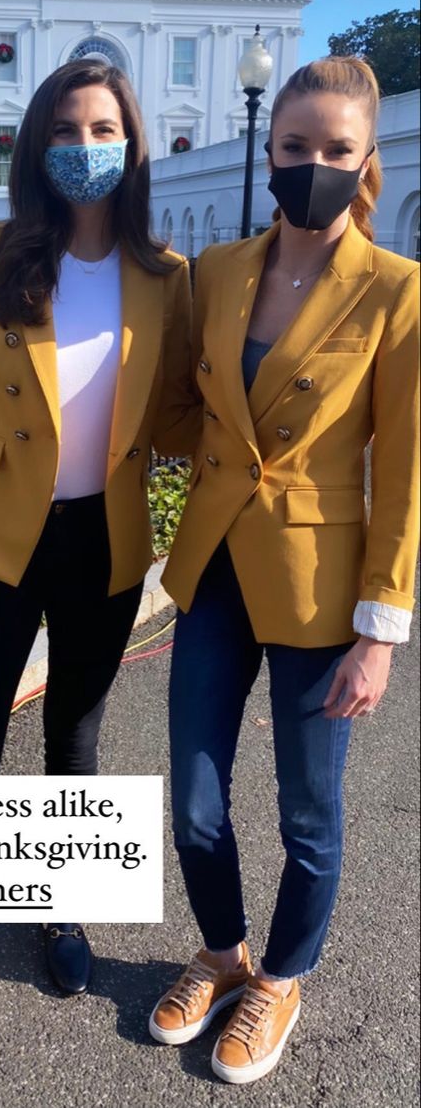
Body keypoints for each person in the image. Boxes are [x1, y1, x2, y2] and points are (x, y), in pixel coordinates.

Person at [0, 59, 197, 1080]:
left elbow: (185, 410)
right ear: (36, 142)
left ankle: (54, 903)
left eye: (103, 127)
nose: (85, 146)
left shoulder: (167, 274)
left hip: (104, 540)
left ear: (131, 143)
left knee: (76, 739)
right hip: (0, 542)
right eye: (65, 126)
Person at [148, 56, 419, 1085]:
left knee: (308, 811)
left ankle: (284, 974)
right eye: (295, 147)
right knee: (196, 799)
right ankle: (223, 952)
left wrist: (380, 628)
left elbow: (402, 472)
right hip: (215, 564)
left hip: (320, 586)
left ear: (364, 162)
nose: (313, 163)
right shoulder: (215, 271)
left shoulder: (398, 294)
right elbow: (181, 404)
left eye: (335, 149)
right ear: (269, 152)